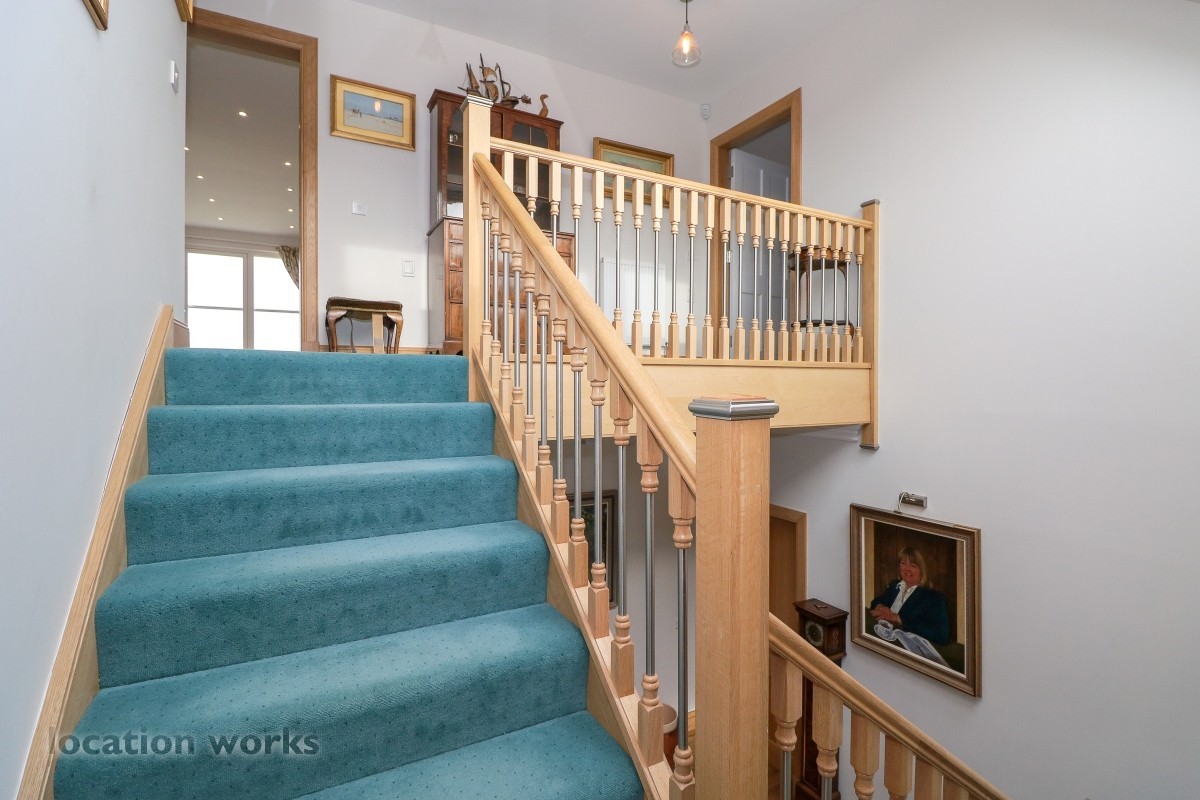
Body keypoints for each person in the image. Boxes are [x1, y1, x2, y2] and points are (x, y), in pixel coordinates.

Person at [869, 547, 950, 646]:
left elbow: (941, 636)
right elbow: (875, 602)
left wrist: (900, 619)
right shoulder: (895, 585)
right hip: (884, 638)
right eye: (903, 563)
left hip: (907, 648)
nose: (907, 569)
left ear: (922, 570)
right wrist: (880, 606)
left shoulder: (934, 598)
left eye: (913, 565)